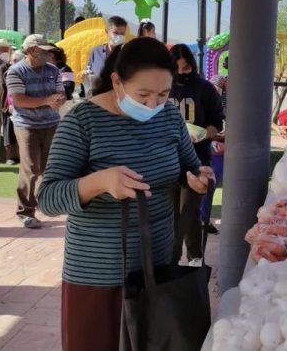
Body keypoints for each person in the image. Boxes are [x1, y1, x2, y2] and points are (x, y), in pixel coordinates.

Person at [37, 37, 213, 350]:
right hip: (99, 275)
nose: (153, 105)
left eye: (162, 94)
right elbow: (48, 198)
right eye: (143, 94)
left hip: (157, 269)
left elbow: (190, 168)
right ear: (117, 81)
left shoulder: (170, 117)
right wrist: (99, 182)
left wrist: (198, 180)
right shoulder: (82, 122)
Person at [169, 44, 224, 258]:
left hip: (196, 159)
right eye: (177, 69)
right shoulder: (162, 87)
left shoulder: (205, 88)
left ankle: (193, 263)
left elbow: (216, 123)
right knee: (169, 215)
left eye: (186, 69)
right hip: (167, 160)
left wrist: (203, 133)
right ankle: (171, 264)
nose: (182, 73)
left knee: (189, 215)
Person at [6, 35, 65, 229]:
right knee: (31, 168)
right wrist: (47, 101)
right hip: (26, 125)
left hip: (51, 123)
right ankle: (25, 211)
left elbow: (61, 93)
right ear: (31, 51)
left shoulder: (53, 70)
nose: (48, 54)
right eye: (43, 50)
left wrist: (59, 100)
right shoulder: (15, 71)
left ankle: (49, 204)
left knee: (50, 167)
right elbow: (19, 100)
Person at [83, 16, 127, 97]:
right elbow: (88, 71)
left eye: (122, 34)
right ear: (107, 31)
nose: (119, 36)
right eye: (116, 33)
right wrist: (86, 74)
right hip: (97, 98)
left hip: (118, 100)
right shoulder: (95, 51)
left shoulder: (126, 54)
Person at [0, 50, 24, 166]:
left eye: (17, 61)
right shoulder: (4, 69)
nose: (15, 63)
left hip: (22, 104)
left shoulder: (24, 70)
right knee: (8, 129)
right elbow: (5, 86)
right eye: (13, 60)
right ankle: (10, 156)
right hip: (7, 104)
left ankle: (20, 156)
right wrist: (10, 104)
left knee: (20, 129)